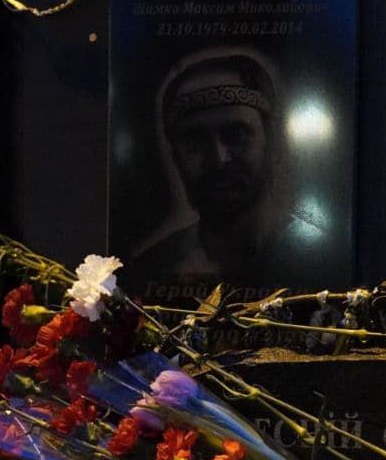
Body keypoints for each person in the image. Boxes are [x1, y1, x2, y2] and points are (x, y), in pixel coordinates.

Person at [130, 53, 326, 292]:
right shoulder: (152, 268)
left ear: (271, 140)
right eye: (195, 141)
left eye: (236, 135)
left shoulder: (321, 262)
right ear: (175, 156)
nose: (218, 159)